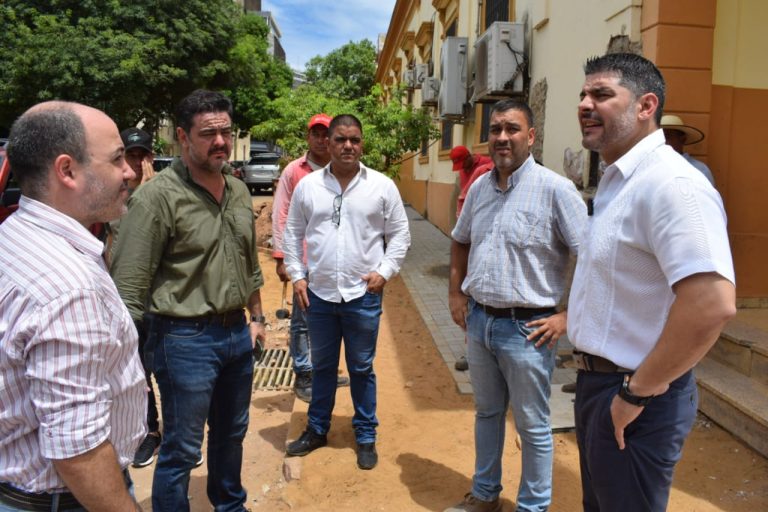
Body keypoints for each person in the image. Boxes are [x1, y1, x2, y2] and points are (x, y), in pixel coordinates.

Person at [570, 52, 736, 511]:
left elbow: (711, 303)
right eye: (583, 94)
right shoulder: (620, 180)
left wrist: (636, 393)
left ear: (646, 106)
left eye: (602, 94)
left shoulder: (672, 184)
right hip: (601, 386)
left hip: (639, 394)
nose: (585, 104)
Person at [110, 89, 266, 512]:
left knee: (232, 433)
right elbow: (128, 288)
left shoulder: (238, 190)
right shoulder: (156, 198)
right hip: (183, 340)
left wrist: (257, 318)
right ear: (182, 137)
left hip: (237, 335)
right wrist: (127, 362)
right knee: (182, 447)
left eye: (226, 132)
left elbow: (248, 263)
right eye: (208, 134)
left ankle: (229, 504)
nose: (220, 142)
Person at [0, 101, 146, 511]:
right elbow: (77, 450)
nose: (130, 171)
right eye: (117, 159)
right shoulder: (68, 288)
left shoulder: (16, 233)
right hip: (66, 500)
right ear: (67, 170)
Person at [445, 99, 587, 512]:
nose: (502, 137)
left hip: (529, 331)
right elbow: (460, 241)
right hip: (481, 323)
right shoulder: (478, 188)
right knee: (487, 414)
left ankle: (532, 507)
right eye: (495, 130)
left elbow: (592, 258)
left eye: (512, 129)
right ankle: (485, 495)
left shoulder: (556, 190)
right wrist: (455, 294)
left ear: (531, 136)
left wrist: (567, 316)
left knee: (533, 425)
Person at [283, 114, 411, 470]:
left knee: (361, 367)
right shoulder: (309, 187)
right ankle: (317, 429)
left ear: (362, 143)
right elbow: (292, 233)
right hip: (319, 295)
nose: (347, 146)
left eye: (354, 139)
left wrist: (384, 272)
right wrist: (297, 275)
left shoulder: (382, 186)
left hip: (363, 295)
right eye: (340, 139)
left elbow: (400, 234)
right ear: (329, 143)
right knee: (323, 366)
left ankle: (365, 434)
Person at [272, 113, 349, 402]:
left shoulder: (341, 169)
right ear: (308, 137)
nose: (320, 139)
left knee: (329, 318)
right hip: (303, 258)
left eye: (325, 134)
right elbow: (281, 212)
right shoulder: (294, 171)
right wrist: (281, 257)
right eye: (315, 134)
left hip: (332, 259)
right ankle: (304, 373)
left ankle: (323, 370)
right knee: (303, 319)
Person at [449, 145, 494, 372]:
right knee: (468, 297)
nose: (461, 169)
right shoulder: (465, 172)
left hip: (484, 240)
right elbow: (461, 202)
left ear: (469, 157)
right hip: (469, 237)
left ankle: (476, 349)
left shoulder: (485, 168)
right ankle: (471, 347)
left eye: (462, 164)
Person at [660, 114, 715, 185]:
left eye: (667, 136)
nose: (662, 141)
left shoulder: (699, 169)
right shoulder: (651, 166)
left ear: (683, 139)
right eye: (660, 137)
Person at [450, 144, 494, 218]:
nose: (462, 167)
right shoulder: (462, 171)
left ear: (468, 156)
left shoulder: (486, 162)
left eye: (462, 164)